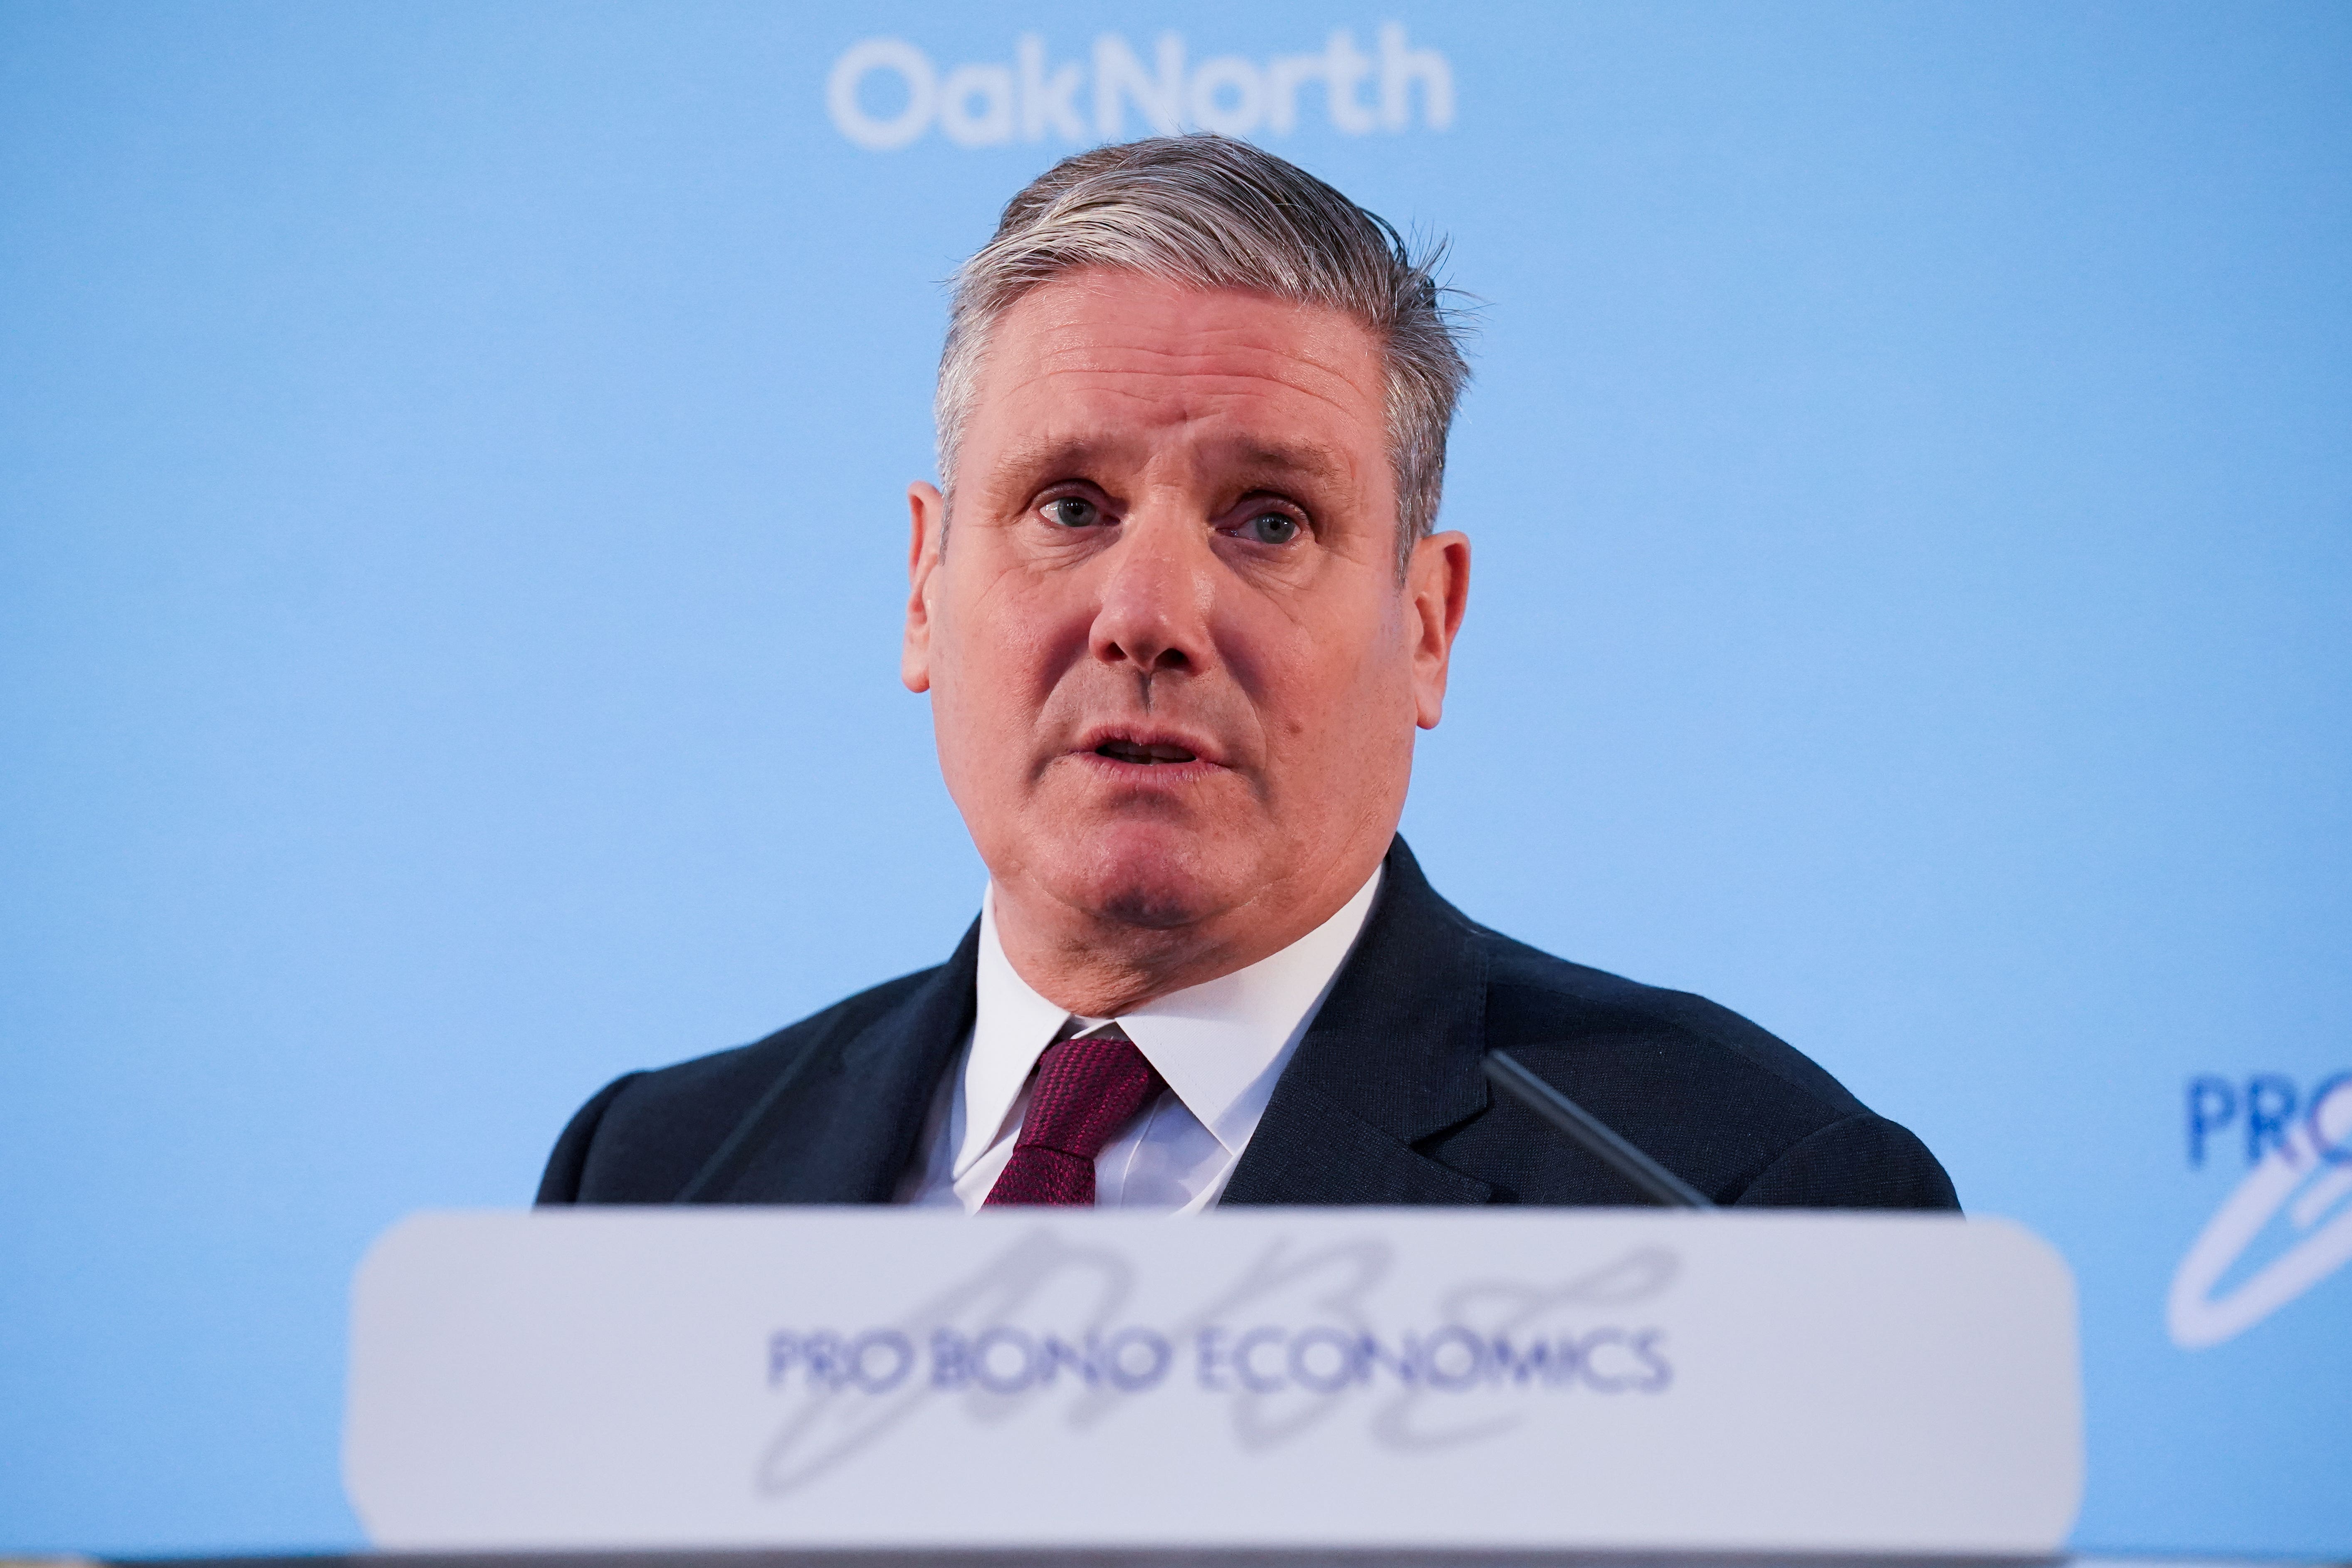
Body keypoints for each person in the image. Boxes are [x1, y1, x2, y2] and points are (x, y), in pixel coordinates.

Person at [537, 135, 1956, 1213]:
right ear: (924, 585)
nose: (1147, 615)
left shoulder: (1753, 1206)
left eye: (1270, 520)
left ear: (1427, 623)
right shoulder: (651, 1180)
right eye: (1071, 506)